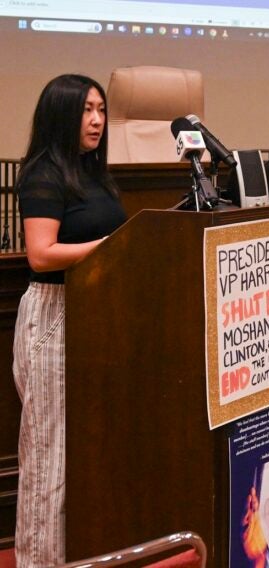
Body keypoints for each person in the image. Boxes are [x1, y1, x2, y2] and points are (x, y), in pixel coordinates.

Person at [12, 74, 126, 566]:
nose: (97, 120)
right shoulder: (43, 173)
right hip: (55, 320)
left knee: (88, 457)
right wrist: (111, 249)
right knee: (50, 458)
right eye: (86, 110)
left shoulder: (92, 173)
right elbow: (40, 255)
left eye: (101, 109)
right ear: (62, 116)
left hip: (96, 318)